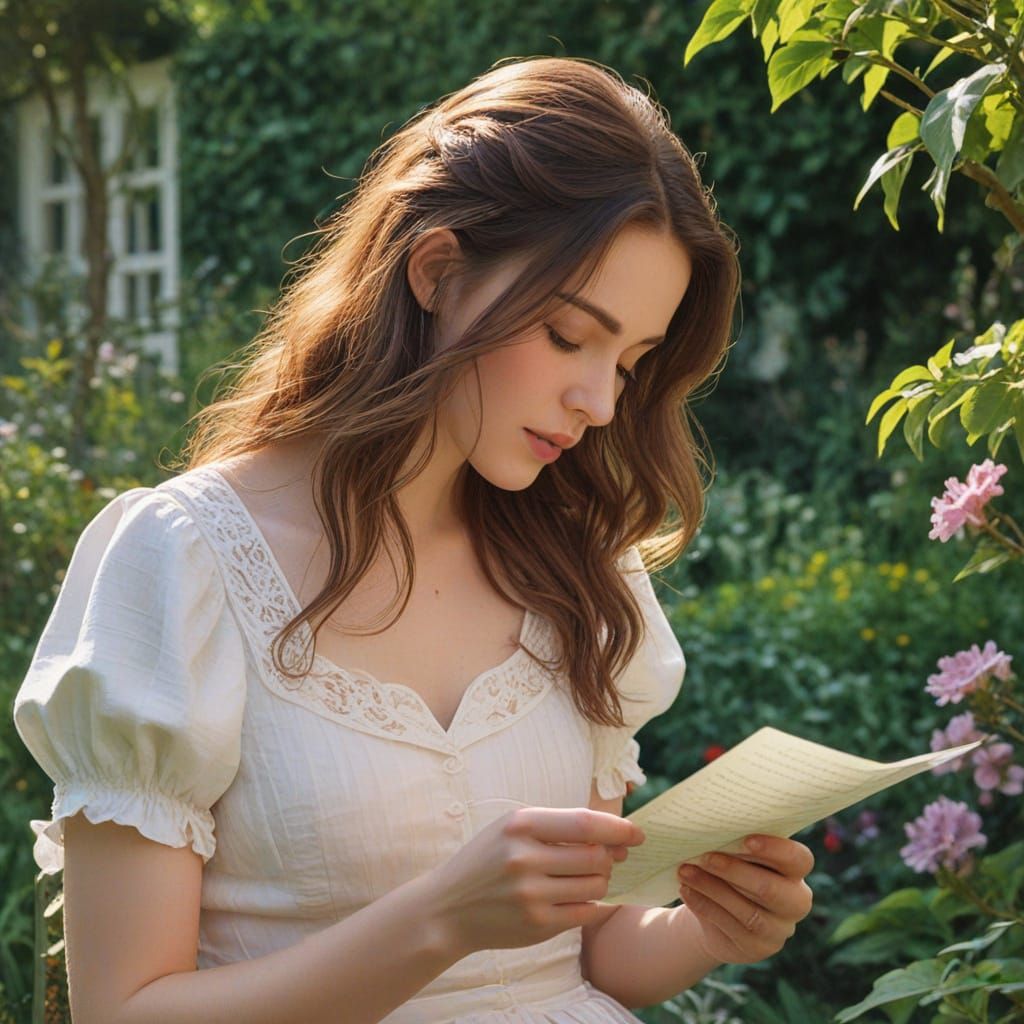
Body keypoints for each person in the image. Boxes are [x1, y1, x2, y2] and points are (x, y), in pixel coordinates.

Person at [12, 55, 814, 1024]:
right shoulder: (183, 558)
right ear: (436, 269)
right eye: (570, 336)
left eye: (630, 361)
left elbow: (585, 953)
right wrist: (441, 916)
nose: (599, 402)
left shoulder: (575, 564)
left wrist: (710, 927)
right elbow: (123, 1009)